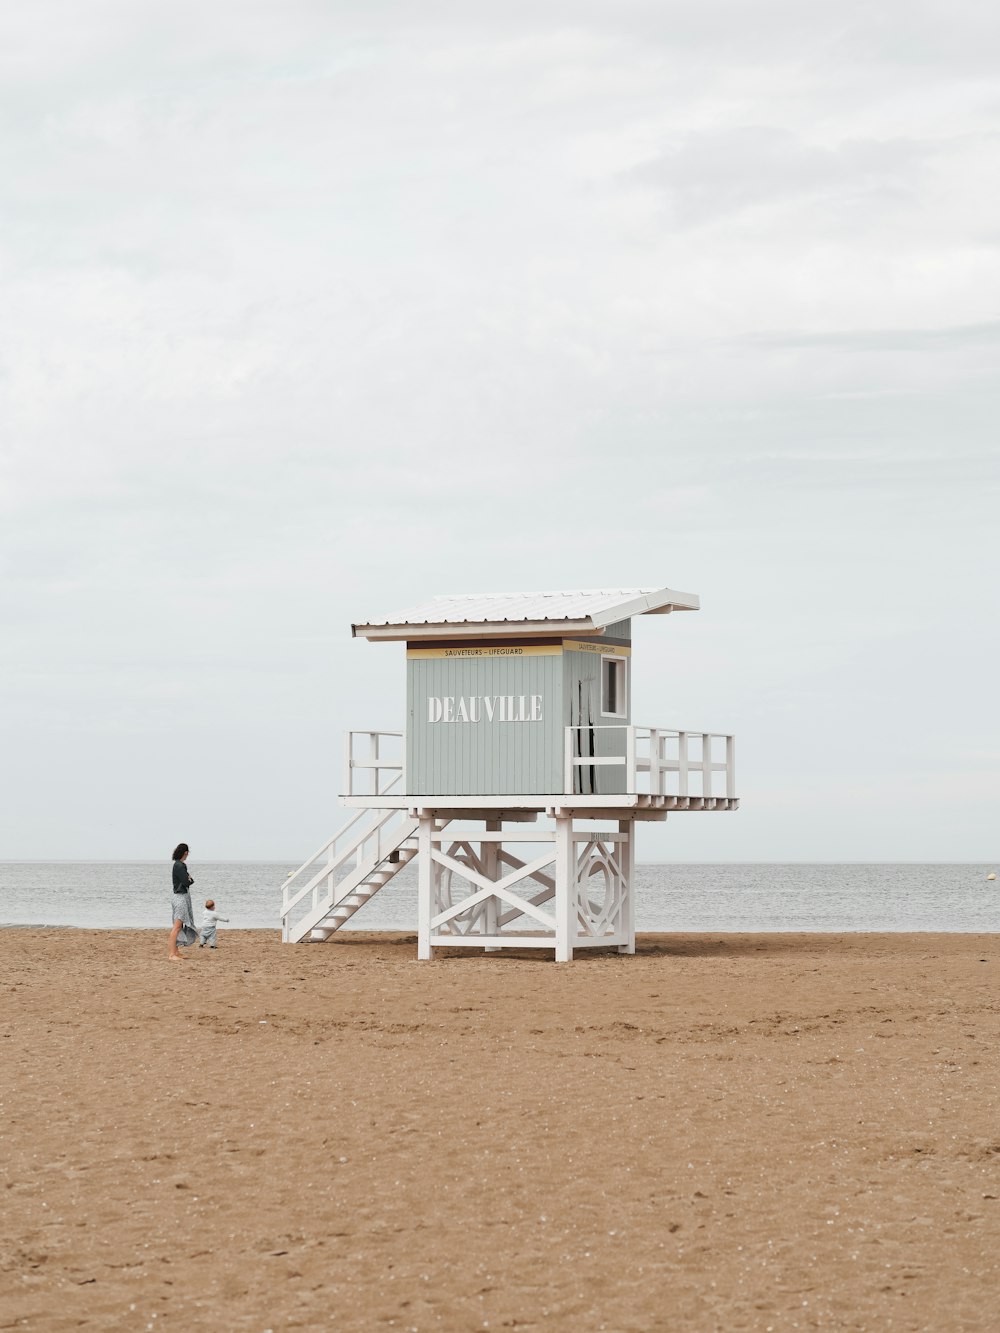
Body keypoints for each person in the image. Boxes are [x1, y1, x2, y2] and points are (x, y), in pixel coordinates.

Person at [169, 843, 198, 961]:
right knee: (176, 927)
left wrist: (189, 879)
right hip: (180, 897)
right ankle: (171, 954)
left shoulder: (178, 865)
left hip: (180, 896)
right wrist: (190, 879)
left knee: (178, 926)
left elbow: (187, 880)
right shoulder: (179, 865)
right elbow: (187, 882)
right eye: (187, 853)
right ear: (185, 852)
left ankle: (176, 952)